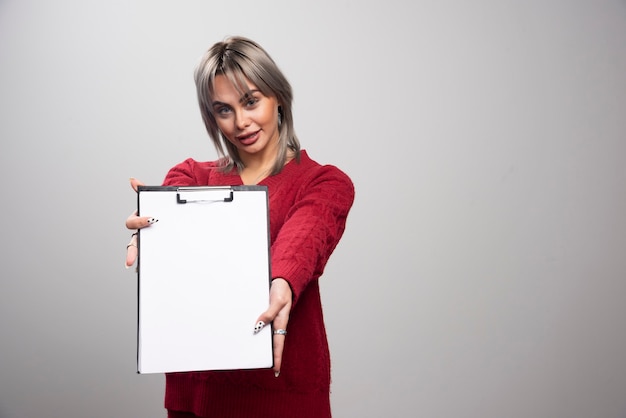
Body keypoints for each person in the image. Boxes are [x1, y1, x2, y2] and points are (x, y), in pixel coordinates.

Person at [124, 36, 354, 418]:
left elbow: (302, 242)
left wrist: (281, 282)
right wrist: (151, 234)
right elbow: (169, 234)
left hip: (282, 394)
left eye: (251, 101)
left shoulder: (324, 183)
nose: (241, 122)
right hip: (198, 391)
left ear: (278, 96)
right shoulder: (191, 177)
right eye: (223, 110)